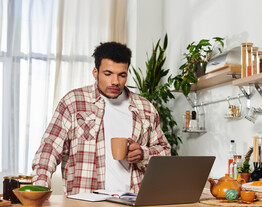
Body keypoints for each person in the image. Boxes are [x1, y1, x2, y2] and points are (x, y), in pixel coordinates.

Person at [32, 42, 171, 195]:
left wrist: (143, 154)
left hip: (132, 204)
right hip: (85, 204)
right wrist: (39, 190)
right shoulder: (74, 102)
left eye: (122, 75)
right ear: (95, 72)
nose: (115, 81)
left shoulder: (145, 109)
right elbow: (49, 149)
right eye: (108, 74)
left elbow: (165, 152)